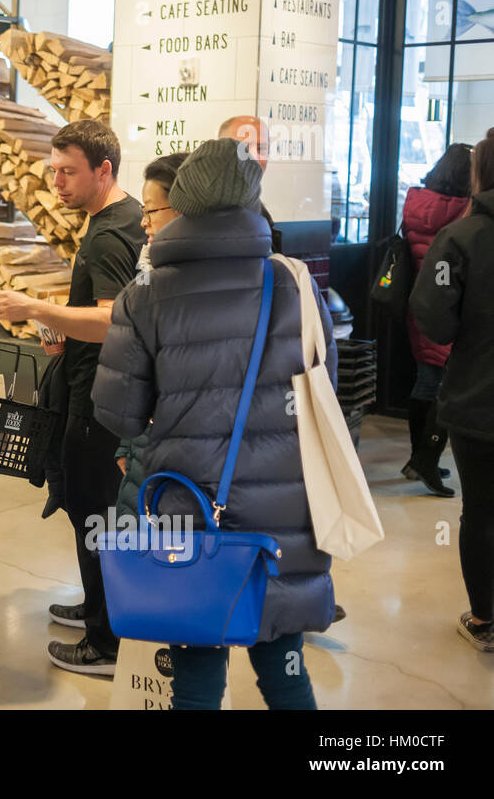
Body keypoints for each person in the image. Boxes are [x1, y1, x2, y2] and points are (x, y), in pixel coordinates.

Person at [93, 138, 336, 709]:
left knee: (197, 662)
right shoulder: (294, 283)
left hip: (194, 504)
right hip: (287, 506)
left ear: (183, 203)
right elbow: (326, 384)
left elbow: (118, 412)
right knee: (284, 661)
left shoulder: (146, 293)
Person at [0, 119, 145, 676]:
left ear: (104, 169)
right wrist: (63, 329)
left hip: (97, 400)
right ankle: (98, 609)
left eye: (68, 171)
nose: (57, 182)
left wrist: (36, 310)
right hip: (108, 387)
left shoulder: (106, 234)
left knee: (92, 510)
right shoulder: (125, 218)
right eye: (52, 171)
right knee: (94, 511)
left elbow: (107, 321)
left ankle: (105, 644)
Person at [411, 128, 494, 654]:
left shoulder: (463, 238)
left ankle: (485, 617)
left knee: (482, 512)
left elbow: (435, 323)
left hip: (478, 401)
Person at [112, 153, 186, 518]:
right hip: (146, 448)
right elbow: (137, 369)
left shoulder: (257, 283)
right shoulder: (150, 273)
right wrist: (128, 444)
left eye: (151, 211)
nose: (143, 223)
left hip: (186, 467)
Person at [399, 143, 472, 498]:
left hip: (419, 302)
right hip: (450, 305)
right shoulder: (464, 210)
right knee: (442, 387)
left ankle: (417, 458)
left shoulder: (415, 203)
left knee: (425, 380)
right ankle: (426, 461)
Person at [218, 116, 282, 254]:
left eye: (261, 148)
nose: (254, 157)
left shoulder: (262, 215)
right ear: (220, 152)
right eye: (244, 148)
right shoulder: (202, 210)